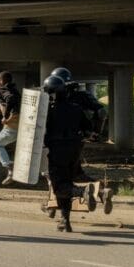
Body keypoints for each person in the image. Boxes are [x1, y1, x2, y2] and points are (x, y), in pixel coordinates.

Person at [43, 74, 92, 232]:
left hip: (57, 150)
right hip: (75, 150)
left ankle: (83, 192)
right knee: (67, 183)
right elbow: (88, 128)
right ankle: (65, 220)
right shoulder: (76, 108)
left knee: (59, 186)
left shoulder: (48, 111)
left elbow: (38, 130)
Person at [0, 71, 21, 185]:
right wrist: (0, 111)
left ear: (1, 81)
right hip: (19, 125)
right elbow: (14, 106)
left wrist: (6, 117)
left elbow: (10, 100)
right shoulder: (14, 90)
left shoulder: (3, 89)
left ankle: (10, 169)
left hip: (12, 126)